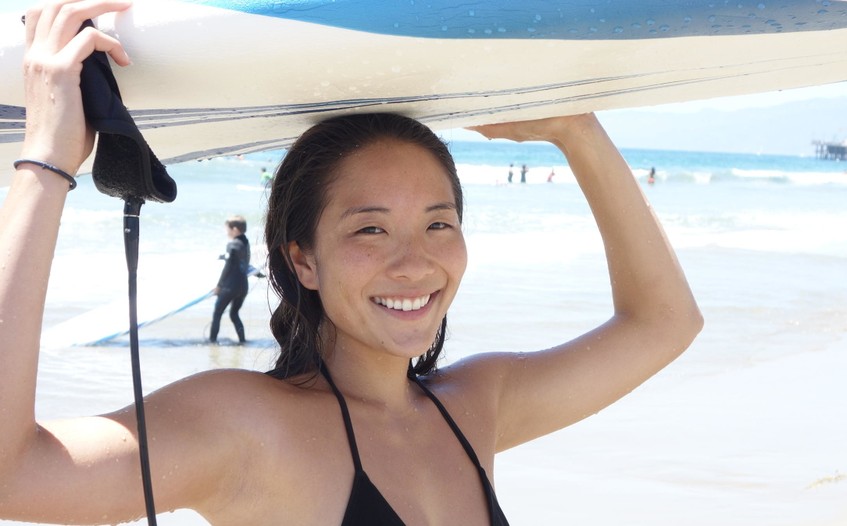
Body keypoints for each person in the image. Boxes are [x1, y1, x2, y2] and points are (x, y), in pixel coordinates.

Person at [0, 1, 702, 524]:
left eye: (439, 223)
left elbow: (665, 322)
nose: (415, 262)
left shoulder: (476, 407)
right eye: (371, 229)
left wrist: (574, 129)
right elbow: (13, 475)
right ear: (301, 260)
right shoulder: (245, 427)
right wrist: (47, 161)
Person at [210, 215, 251, 344]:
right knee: (234, 314)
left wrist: (219, 285)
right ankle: (243, 341)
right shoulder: (246, 243)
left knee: (217, 313)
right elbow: (242, 262)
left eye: (227, 229)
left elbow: (229, 266)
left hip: (230, 287)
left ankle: (212, 343)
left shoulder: (232, 244)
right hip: (243, 286)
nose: (226, 232)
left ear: (234, 229)